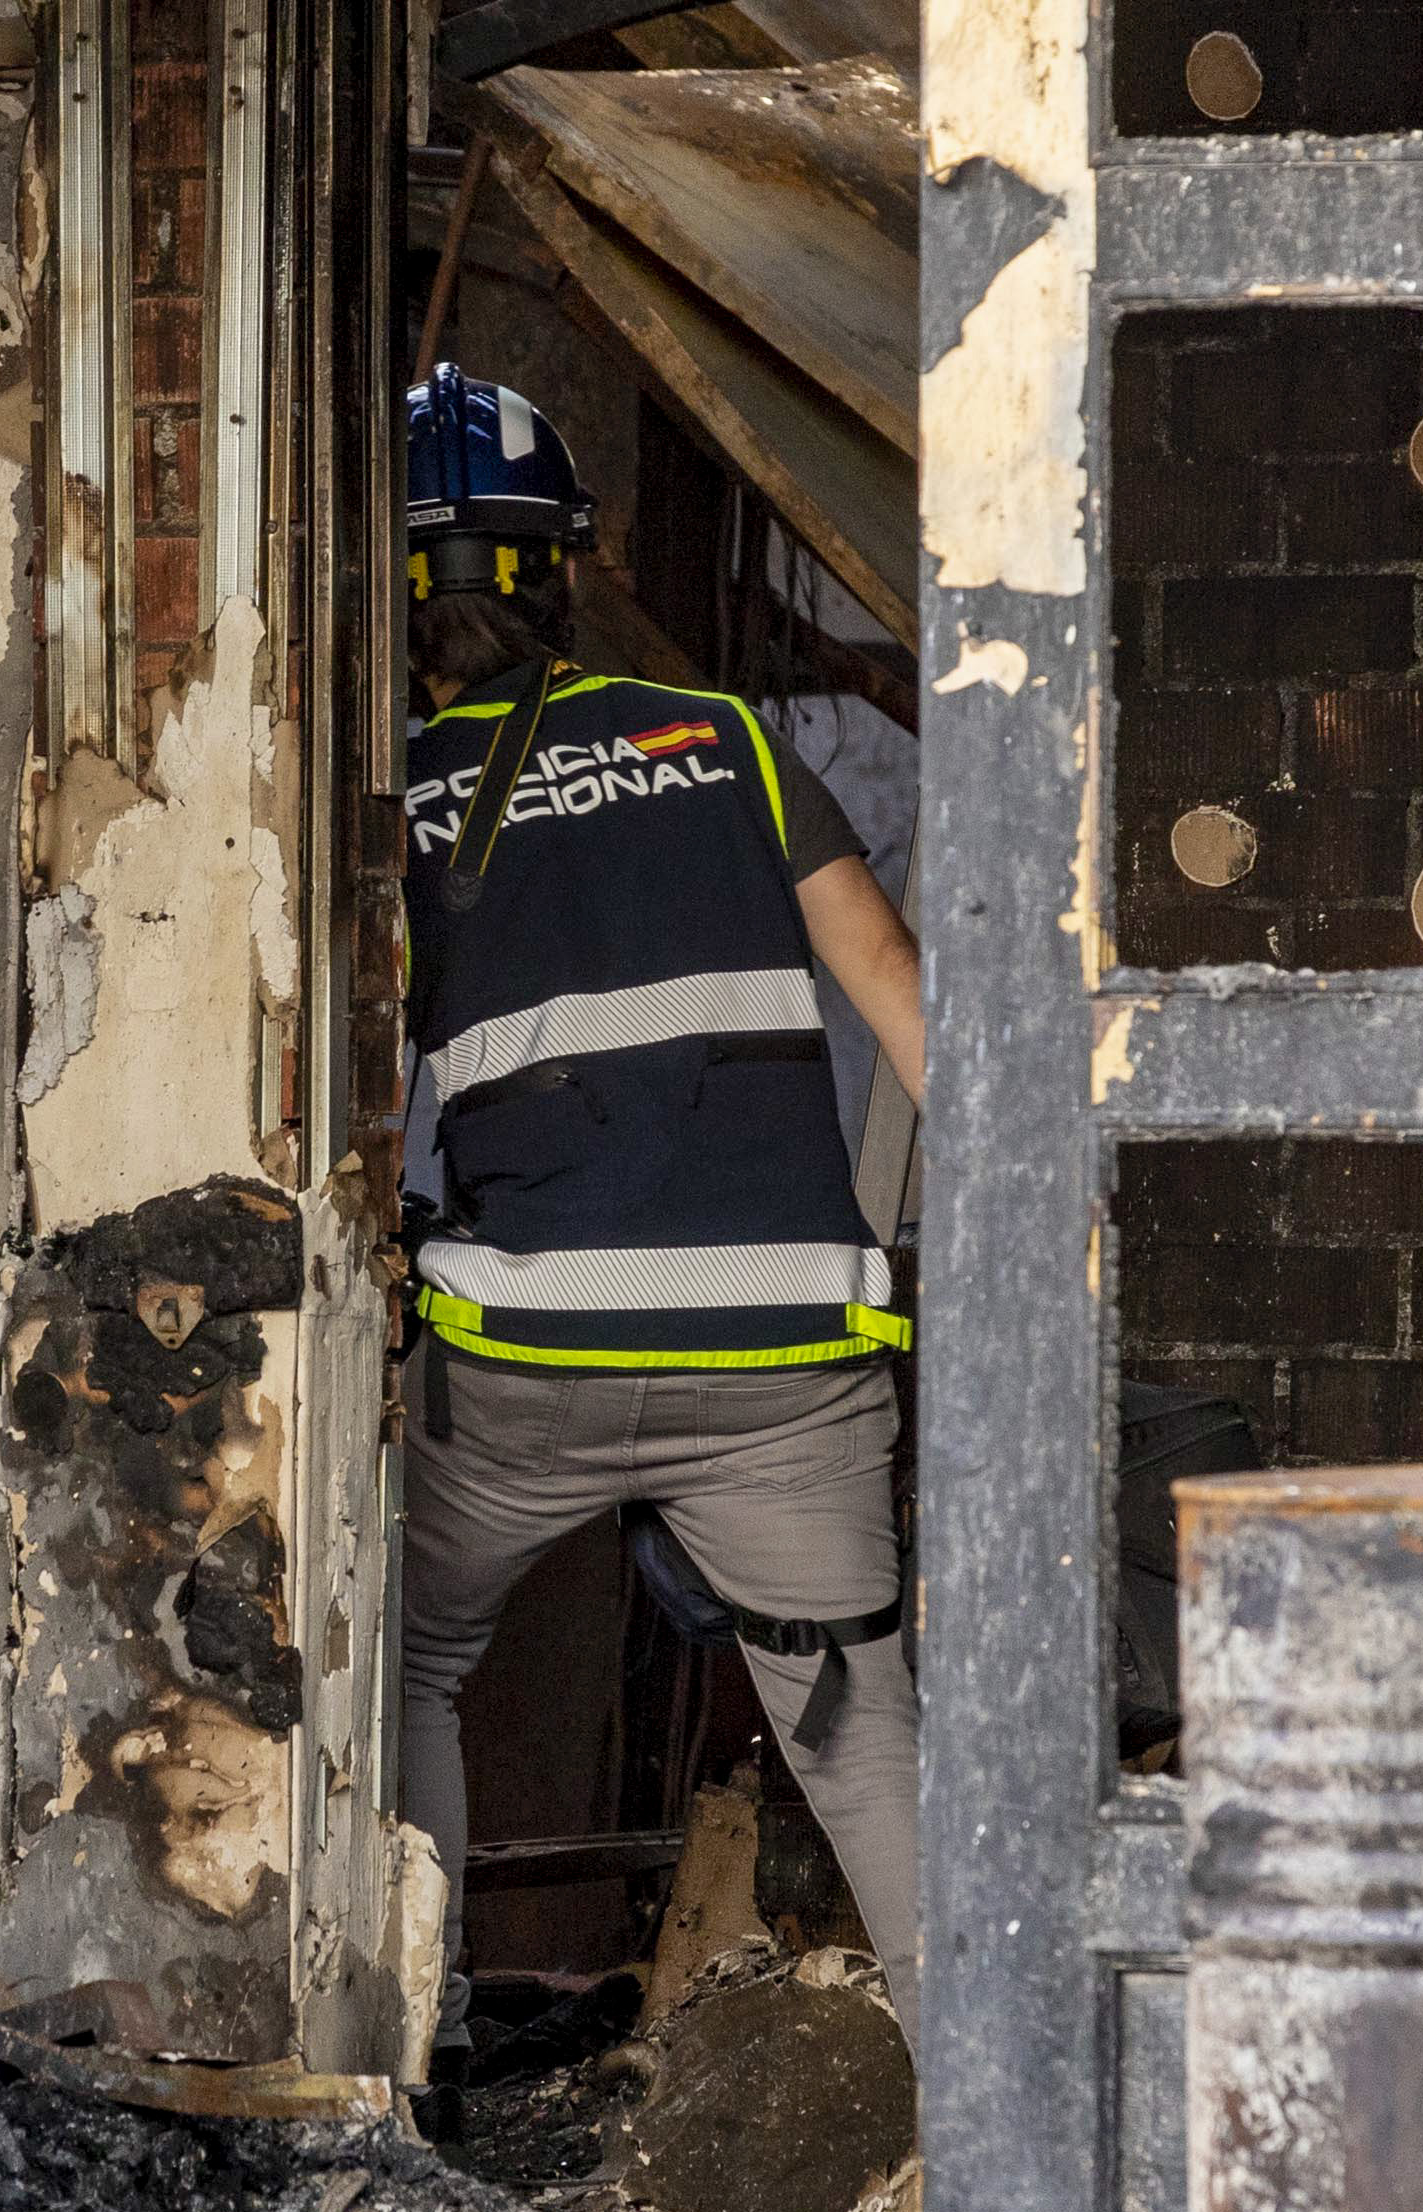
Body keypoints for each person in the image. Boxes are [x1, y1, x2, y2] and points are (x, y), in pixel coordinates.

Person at [389, 366, 927, 2103]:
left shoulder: (381, 796)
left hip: (522, 1353)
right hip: (786, 1359)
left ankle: (413, 2048)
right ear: (560, 570)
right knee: (857, 1739)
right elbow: (910, 1010)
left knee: (403, 1656)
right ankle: (994, 2113)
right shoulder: (732, 743)